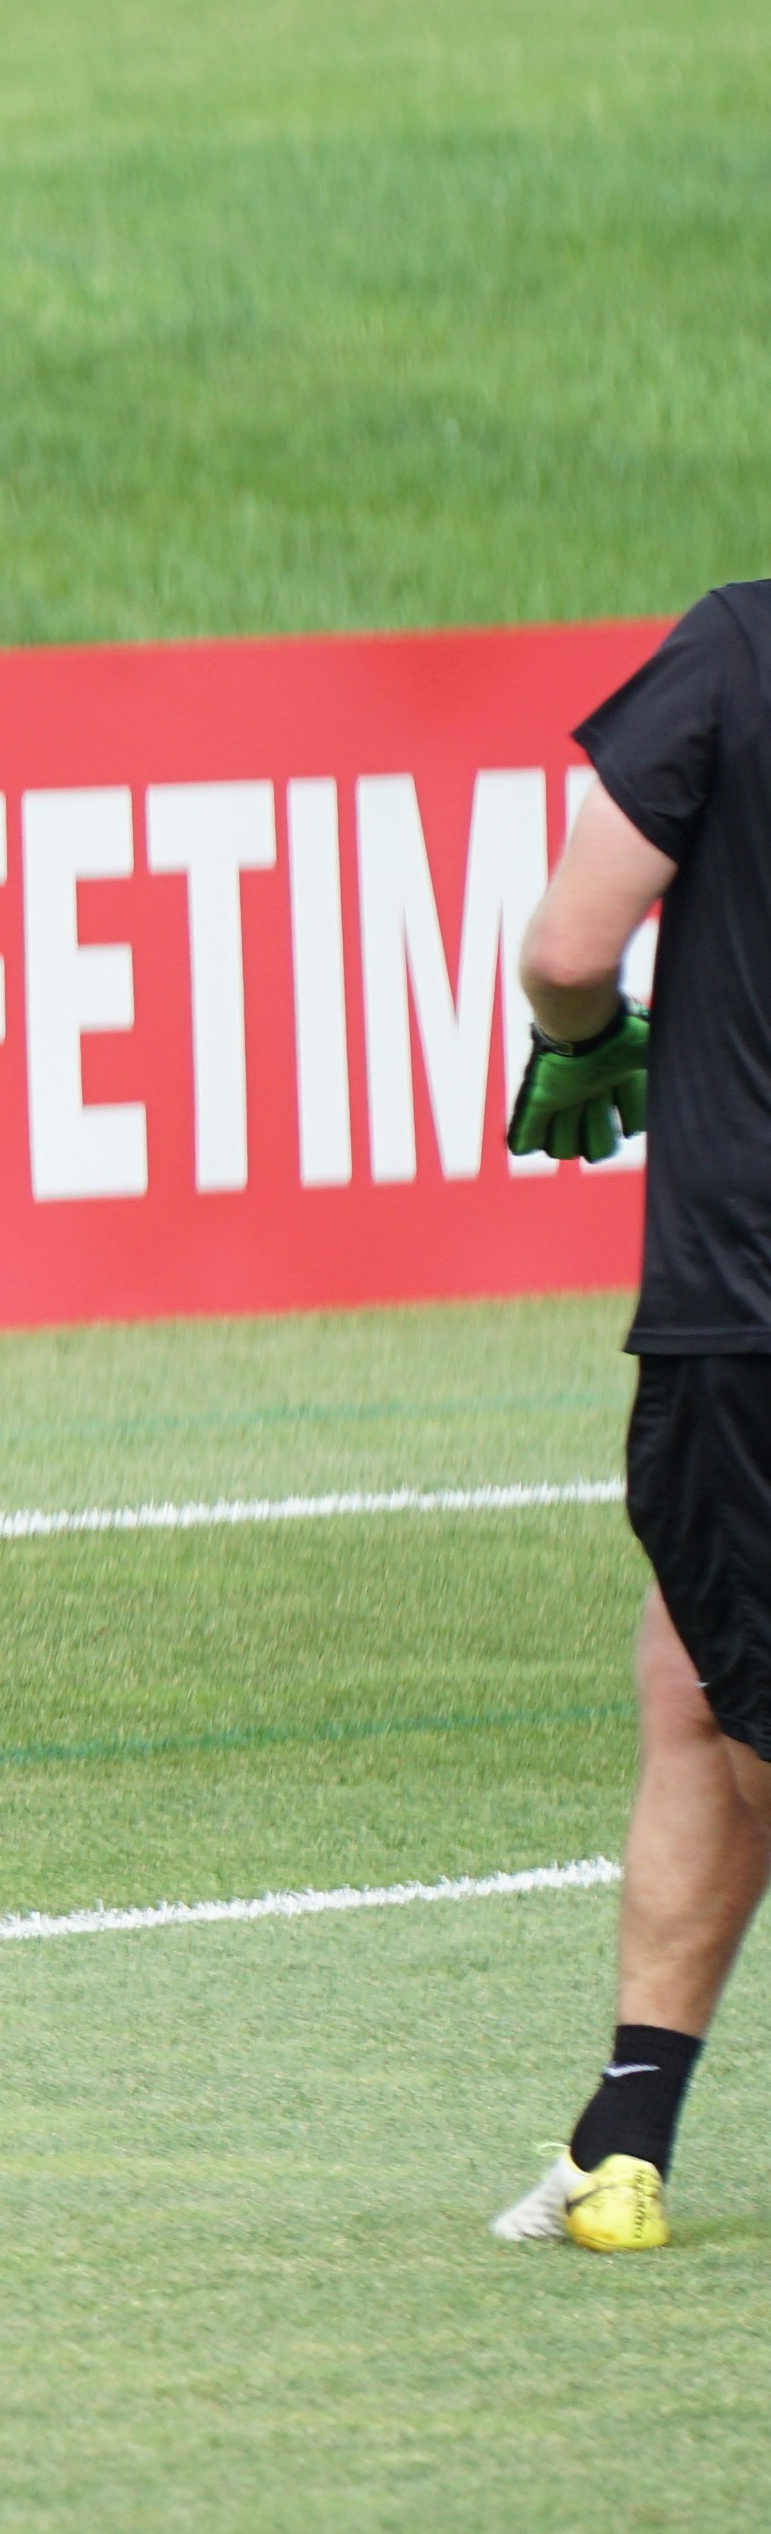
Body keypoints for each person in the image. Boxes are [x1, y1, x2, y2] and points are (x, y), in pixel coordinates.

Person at [493, 585, 771, 2253]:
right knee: (694, 1674)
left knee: (748, 1713)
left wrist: (580, 1045)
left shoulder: (738, 649)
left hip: (749, 1298)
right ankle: (626, 2136)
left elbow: (570, 945)